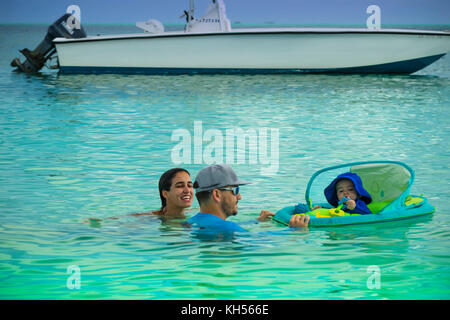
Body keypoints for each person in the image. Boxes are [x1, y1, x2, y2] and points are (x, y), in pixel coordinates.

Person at [186, 164, 308, 233]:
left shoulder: (188, 224)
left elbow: (217, 226)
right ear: (217, 195)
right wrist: (294, 230)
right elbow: (262, 246)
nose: (239, 196)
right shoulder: (230, 229)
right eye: (235, 191)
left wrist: (255, 221)